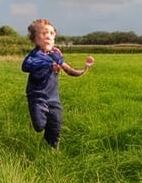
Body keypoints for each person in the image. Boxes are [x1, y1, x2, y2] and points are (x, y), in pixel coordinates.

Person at [22, 18, 94, 148]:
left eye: (51, 33)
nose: (48, 36)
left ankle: (52, 149)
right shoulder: (35, 55)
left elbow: (69, 70)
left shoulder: (55, 55)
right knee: (39, 126)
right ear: (34, 39)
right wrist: (48, 62)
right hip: (37, 97)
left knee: (56, 124)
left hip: (53, 99)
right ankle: (38, 118)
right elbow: (26, 66)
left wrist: (85, 68)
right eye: (44, 33)